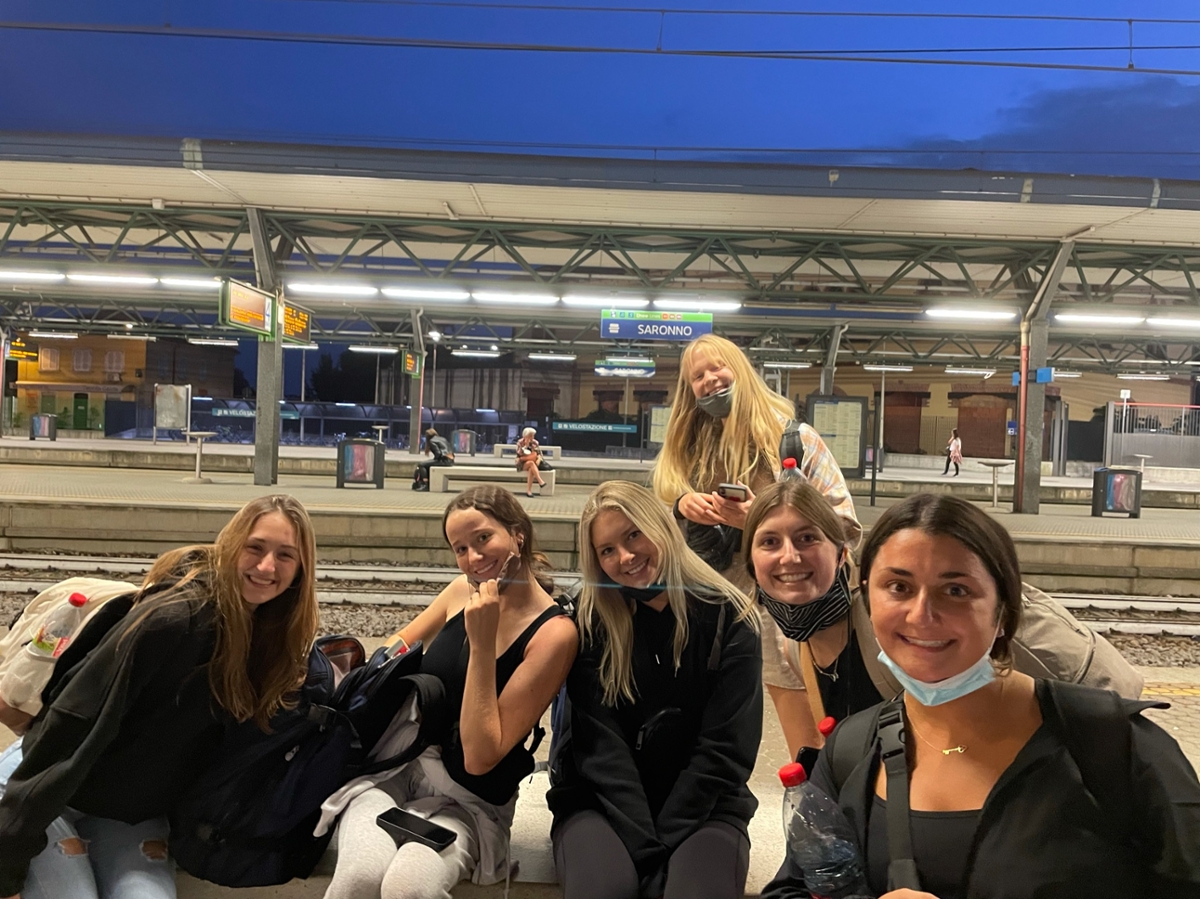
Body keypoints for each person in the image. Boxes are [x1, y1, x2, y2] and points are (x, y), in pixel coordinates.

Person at [761, 492, 1200, 899]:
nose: (922, 614)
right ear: (868, 599)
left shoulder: (1115, 750)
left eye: (956, 590)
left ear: (1004, 612)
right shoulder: (852, 752)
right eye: (898, 586)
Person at [0, 494, 319, 899]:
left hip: (126, 813)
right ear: (231, 545)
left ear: (300, 571)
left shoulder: (268, 640)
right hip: (45, 790)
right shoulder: (174, 621)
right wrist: (7, 863)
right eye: (254, 547)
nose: (266, 566)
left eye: (285, 555)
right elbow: (70, 727)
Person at [743, 484, 1144, 752]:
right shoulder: (796, 647)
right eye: (770, 542)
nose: (789, 557)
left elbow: (1104, 689)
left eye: (808, 538)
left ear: (844, 553)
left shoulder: (906, 623)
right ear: (750, 561)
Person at [324, 485, 577, 899]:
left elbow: (481, 757)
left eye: (483, 538)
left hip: (469, 801)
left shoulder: (553, 634)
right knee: (359, 878)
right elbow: (393, 653)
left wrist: (481, 642)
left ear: (518, 534)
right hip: (397, 771)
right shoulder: (461, 591)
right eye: (460, 548)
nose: (473, 559)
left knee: (408, 888)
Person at [548, 480, 762, 899]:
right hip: (599, 802)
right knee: (607, 888)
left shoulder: (730, 618)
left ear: (661, 526)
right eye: (607, 550)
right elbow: (599, 746)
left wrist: (664, 842)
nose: (625, 557)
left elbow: (725, 750)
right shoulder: (592, 622)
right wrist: (647, 849)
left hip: (707, 805)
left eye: (633, 534)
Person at [652, 333, 860, 758]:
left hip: (798, 604)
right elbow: (650, 530)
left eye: (717, 368)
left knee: (824, 727)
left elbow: (844, 524)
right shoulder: (688, 449)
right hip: (720, 606)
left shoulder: (794, 439)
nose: (710, 380)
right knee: (737, 722)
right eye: (698, 376)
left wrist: (761, 523)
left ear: (741, 371)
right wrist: (680, 504)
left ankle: (836, 803)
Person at [414, 427, 455, 491]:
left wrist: (434, 460)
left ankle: (425, 484)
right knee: (427, 464)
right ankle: (427, 482)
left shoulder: (431, 441)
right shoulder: (443, 438)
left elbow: (438, 454)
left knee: (421, 464)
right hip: (450, 460)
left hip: (444, 461)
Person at [515, 426, 547, 497]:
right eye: (530, 435)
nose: (532, 437)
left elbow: (539, 454)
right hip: (522, 463)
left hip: (532, 463)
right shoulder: (520, 442)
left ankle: (529, 491)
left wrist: (539, 459)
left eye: (533, 435)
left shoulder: (535, 442)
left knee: (531, 468)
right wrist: (525, 446)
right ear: (526, 435)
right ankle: (540, 481)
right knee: (531, 464)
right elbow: (518, 454)